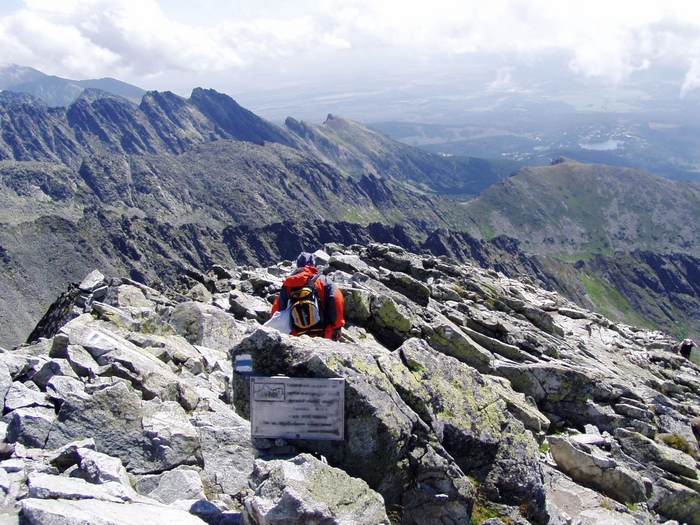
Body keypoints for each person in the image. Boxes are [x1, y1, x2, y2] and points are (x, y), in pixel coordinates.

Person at [270, 251, 345, 340]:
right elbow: (336, 299)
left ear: (298, 265)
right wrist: (337, 327)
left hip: (297, 335)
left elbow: (278, 309)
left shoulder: (288, 284)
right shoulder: (322, 281)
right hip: (323, 332)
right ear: (313, 265)